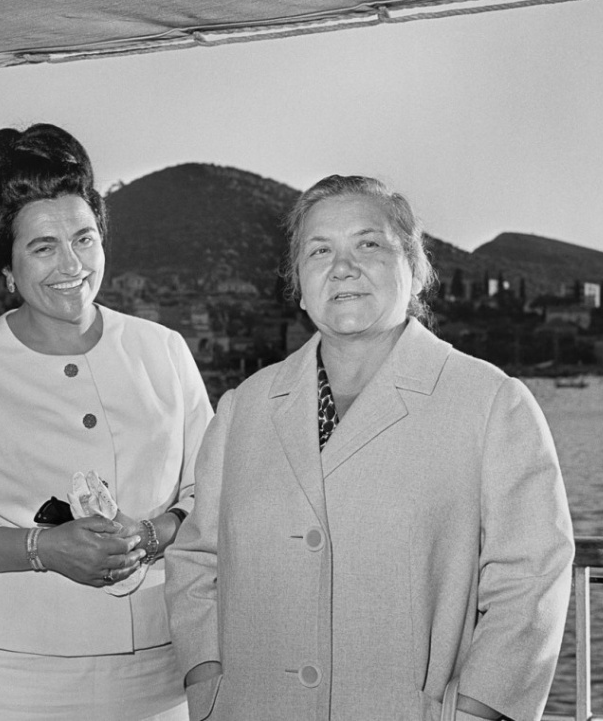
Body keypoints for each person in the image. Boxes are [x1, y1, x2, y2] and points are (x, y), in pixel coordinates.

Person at [165, 175, 574, 721]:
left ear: (415, 265)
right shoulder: (245, 408)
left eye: (368, 244)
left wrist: (477, 714)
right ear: (298, 281)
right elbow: (196, 562)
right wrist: (208, 686)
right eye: (319, 251)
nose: (343, 267)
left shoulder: (492, 404)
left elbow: (530, 585)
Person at [0, 123, 213, 720]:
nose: (72, 264)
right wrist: (42, 549)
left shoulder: (165, 350)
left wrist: (151, 536)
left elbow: (214, 493)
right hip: (8, 671)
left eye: (84, 238)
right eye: (43, 247)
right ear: (7, 269)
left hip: (157, 665)